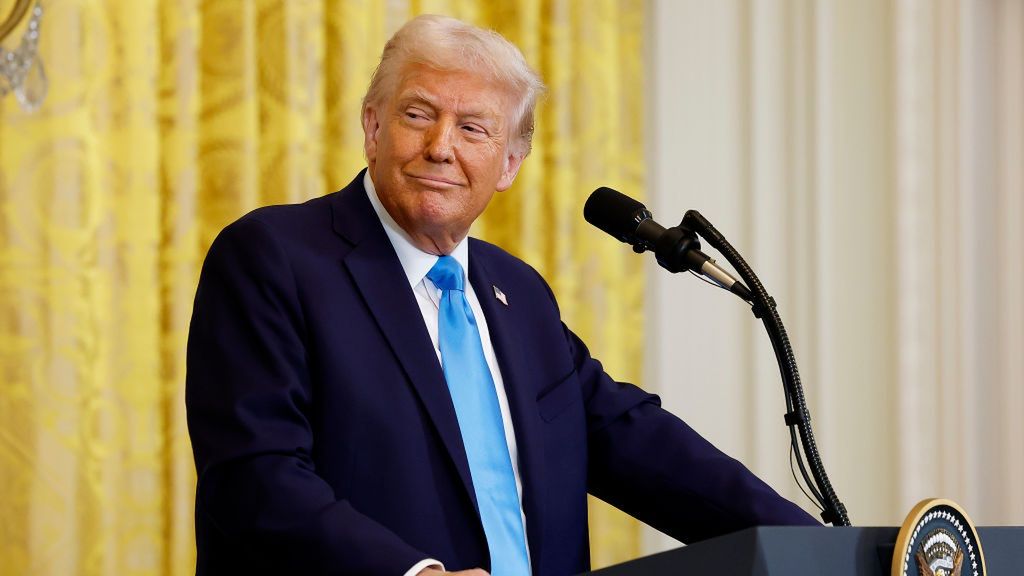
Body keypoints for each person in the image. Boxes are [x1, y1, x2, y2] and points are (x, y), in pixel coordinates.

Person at [185, 14, 817, 576]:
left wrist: (817, 549)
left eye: (473, 128)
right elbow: (253, 478)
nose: (441, 147)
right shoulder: (275, 258)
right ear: (373, 127)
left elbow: (634, 441)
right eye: (418, 115)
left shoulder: (519, 293)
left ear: (510, 163)